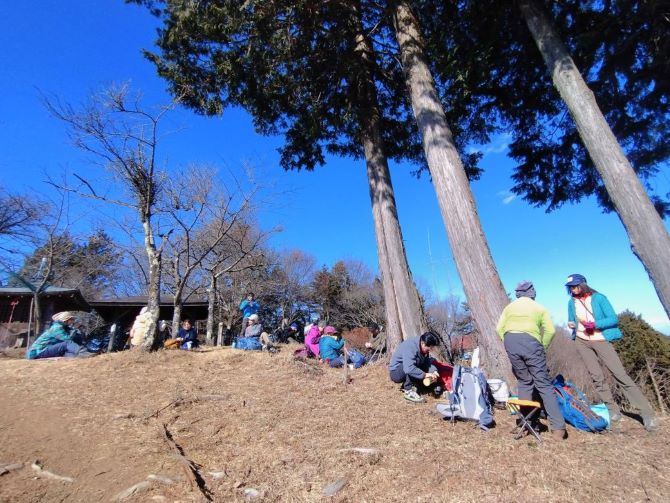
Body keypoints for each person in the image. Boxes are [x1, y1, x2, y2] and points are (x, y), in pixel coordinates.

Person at [565, 273, 657, 432]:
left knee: (620, 375)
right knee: (596, 377)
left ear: (583, 284)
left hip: (600, 339)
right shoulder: (571, 302)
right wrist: (571, 324)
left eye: (575, 286)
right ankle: (613, 410)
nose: (572, 289)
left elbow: (613, 319)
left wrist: (595, 324)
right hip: (582, 341)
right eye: (570, 287)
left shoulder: (599, 298)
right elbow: (572, 320)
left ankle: (646, 413)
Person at [496, 280, 567, 440]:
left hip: (510, 341)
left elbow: (499, 328)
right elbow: (550, 331)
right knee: (544, 384)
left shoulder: (509, 307)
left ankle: (526, 423)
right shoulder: (538, 307)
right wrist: (542, 346)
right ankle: (558, 429)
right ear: (531, 292)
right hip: (531, 343)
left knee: (524, 381)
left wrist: (508, 342)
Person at [388, 331, 442, 403]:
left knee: (421, 362)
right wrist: (425, 374)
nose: (431, 350)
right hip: (396, 372)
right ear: (423, 343)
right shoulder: (411, 347)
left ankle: (429, 387)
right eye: (430, 348)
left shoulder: (422, 345)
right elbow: (408, 368)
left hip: (406, 368)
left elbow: (426, 362)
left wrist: (434, 371)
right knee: (416, 362)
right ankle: (409, 390)